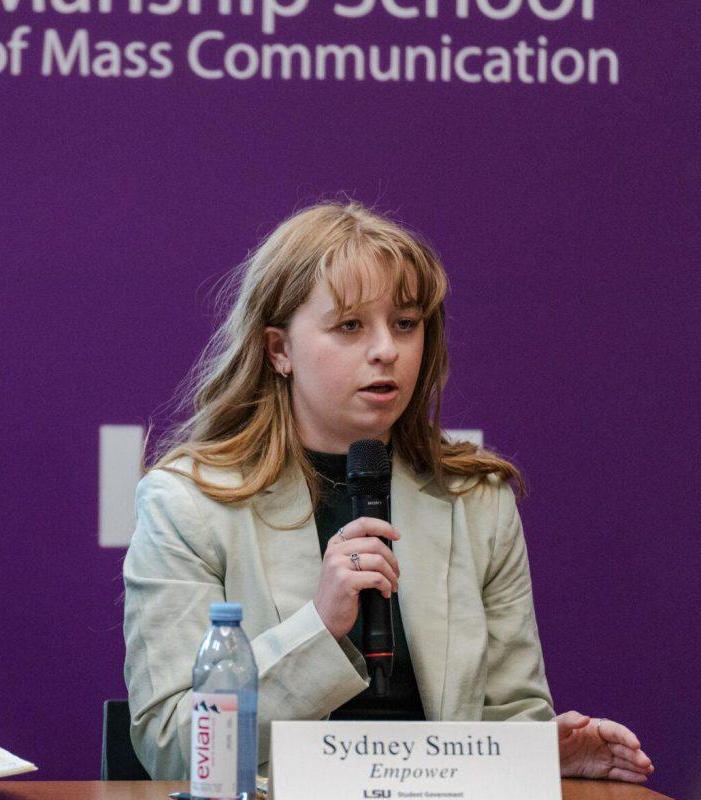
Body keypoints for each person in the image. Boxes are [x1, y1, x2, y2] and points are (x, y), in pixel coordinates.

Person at [122, 202, 653, 783]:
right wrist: (319, 627)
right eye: (350, 326)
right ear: (279, 350)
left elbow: (508, 714)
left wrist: (541, 755)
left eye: (405, 323)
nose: (386, 351)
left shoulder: (475, 500)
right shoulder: (188, 504)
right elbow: (173, 744)